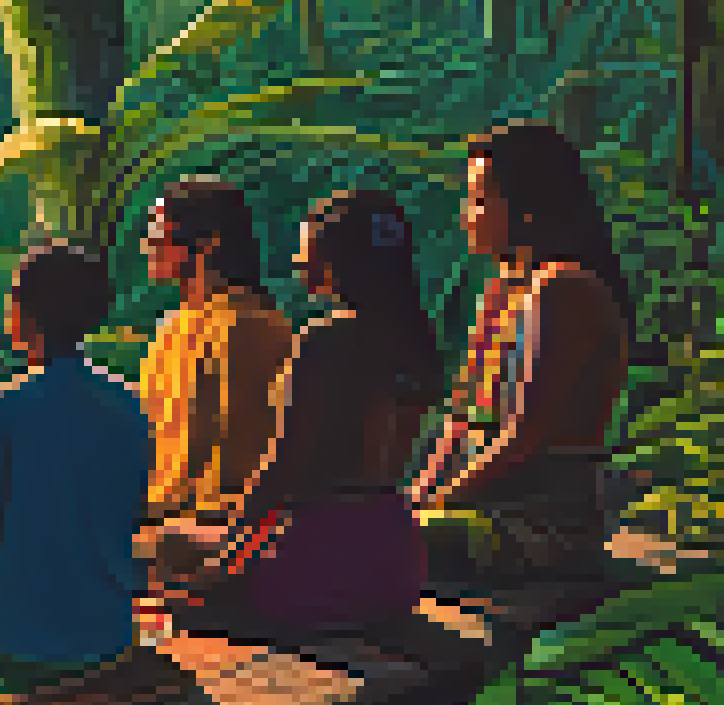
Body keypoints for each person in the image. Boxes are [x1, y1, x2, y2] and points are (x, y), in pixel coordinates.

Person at [147, 191, 440, 635]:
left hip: (321, 561)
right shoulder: (410, 342)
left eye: (306, 250)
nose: (297, 262)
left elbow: (280, 467)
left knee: (164, 552)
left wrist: (225, 555)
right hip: (396, 559)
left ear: (335, 261)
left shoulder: (323, 339)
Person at [409, 121, 635, 581]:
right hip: (474, 502)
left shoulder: (565, 289)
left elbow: (523, 438)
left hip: (537, 520)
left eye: (478, 200)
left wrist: (429, 508)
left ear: (526, 205)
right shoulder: (502, 290)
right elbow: (462, 418)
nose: (465, 217)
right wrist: (415, 499)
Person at [0, 240, 154, 668]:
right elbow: (129, 515)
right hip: (107, 625)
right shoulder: (129, 405)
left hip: (17, 627)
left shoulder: (0, 407)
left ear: (24, 313)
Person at [136, 177, 298, 530]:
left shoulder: (247, 327)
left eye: (159, 234)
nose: (148, 245)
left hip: (217, 527)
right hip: (163, 517)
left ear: (209, 242)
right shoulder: (172, 328)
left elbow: (229, 457)